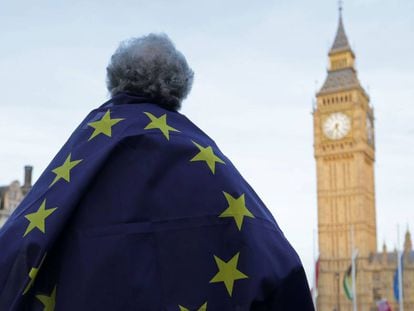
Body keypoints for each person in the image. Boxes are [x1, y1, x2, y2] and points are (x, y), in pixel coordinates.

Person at [0, 33, 314, 310]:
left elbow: (14, 248)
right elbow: (278, 265)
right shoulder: (207, 160)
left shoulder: (83, 151)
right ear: (179, 88)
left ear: (115, 80)